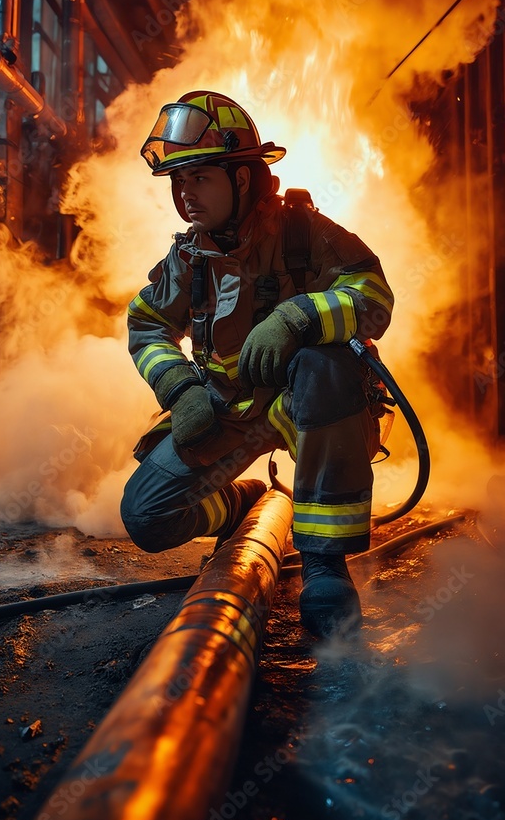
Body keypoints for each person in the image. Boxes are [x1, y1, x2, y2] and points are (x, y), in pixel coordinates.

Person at [121, 90, 394, 637]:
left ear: (241, 178)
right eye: (178, 182)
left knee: (324, 366)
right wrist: (179, 389)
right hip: (230, 412)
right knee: (147, 517)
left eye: (199, 178)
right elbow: (146, 324)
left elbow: (373, 295)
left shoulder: (305, 234)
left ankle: (325, 566)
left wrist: (299, 318)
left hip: (305, 407)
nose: (185, 195)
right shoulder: (189, 255)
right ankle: (243, 496)